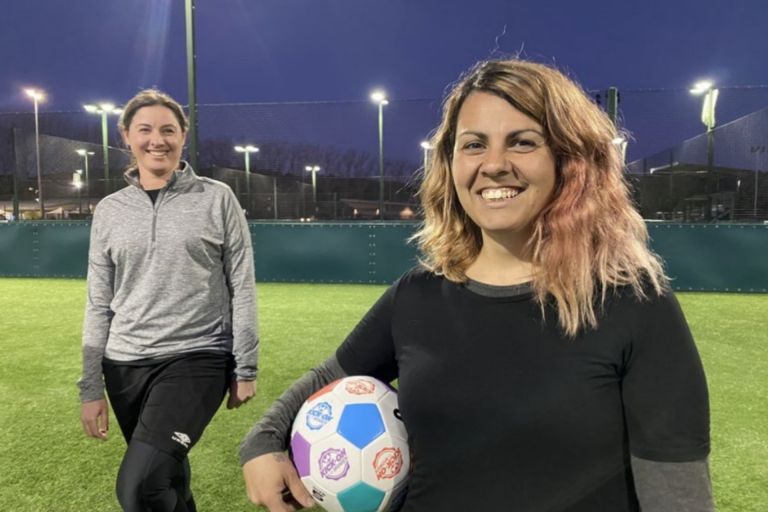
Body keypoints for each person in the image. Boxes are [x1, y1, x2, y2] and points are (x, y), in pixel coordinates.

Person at [239, 59, 713, 511]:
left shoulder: (632, 304)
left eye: (523, 142)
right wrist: (262, 442)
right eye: (473, 144)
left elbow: (678, 493)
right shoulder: (418, 295)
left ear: (569, 162)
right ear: (451, 164)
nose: (494, 164)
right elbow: (327, 380)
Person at [78, 89, 259, 512]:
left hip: (196, 358)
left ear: (183, 136)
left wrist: (245, 365)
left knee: (138, 488)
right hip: (123, 365)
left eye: (168, 130)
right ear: (126, 136)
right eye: (145, 129)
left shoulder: (216, 198)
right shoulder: (109, 210)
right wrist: (90, 387)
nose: (156, 140)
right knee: (166, 483)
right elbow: (98, 301)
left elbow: (243, 286)